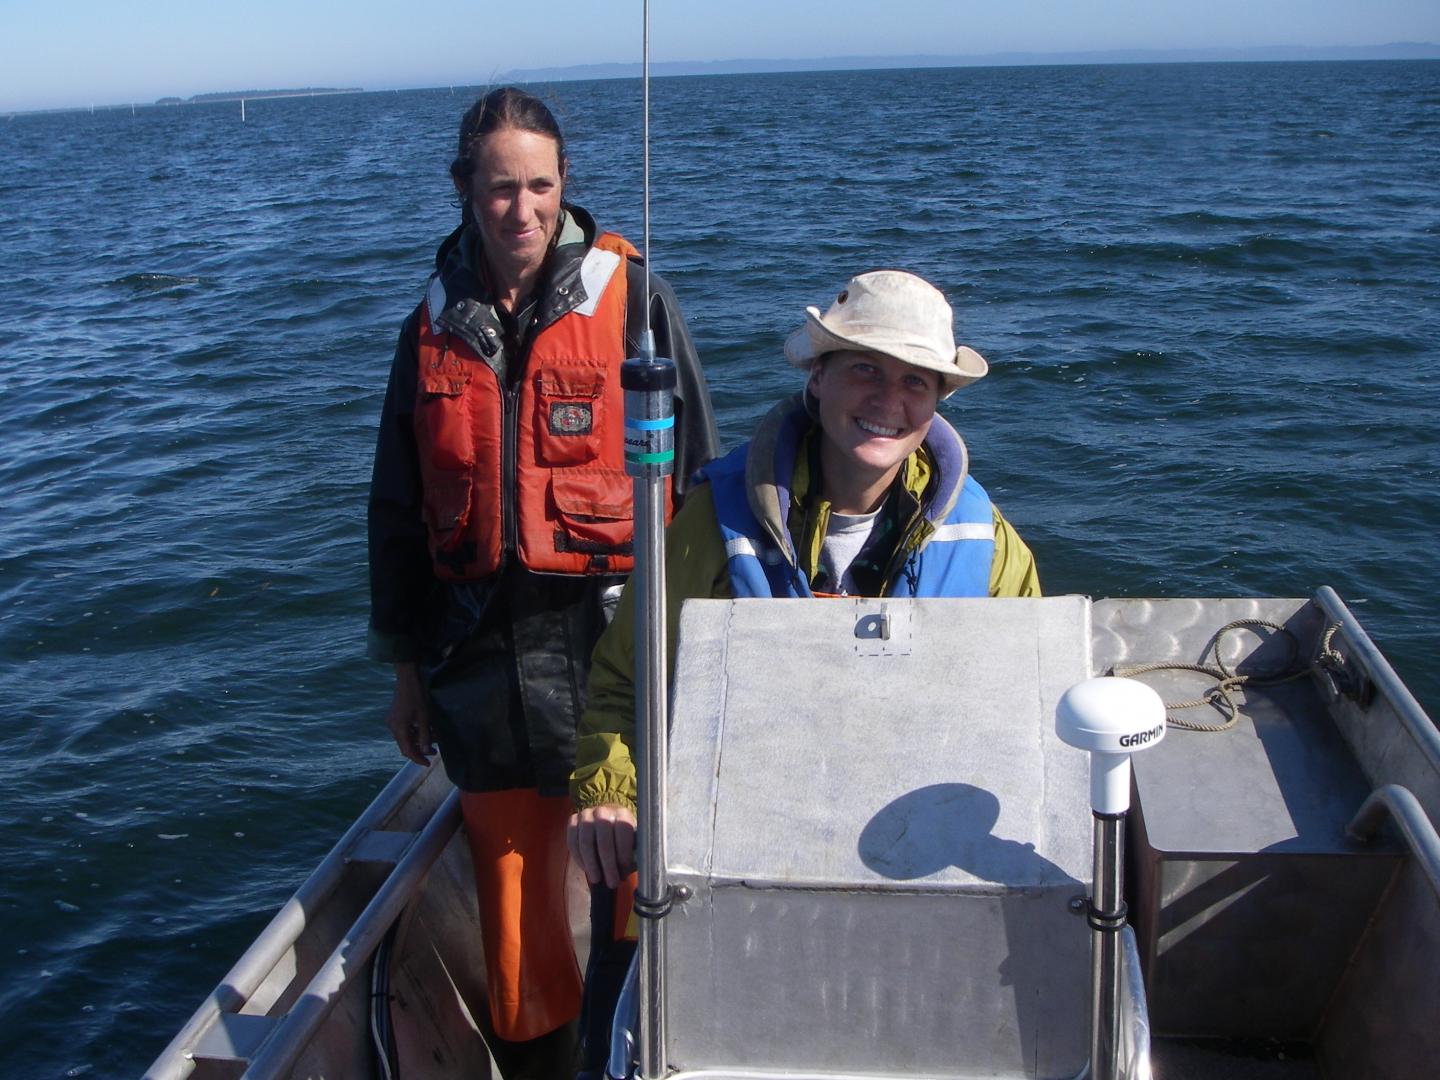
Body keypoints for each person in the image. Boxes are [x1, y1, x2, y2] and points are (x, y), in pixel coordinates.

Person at [367, 87, 717, 1078]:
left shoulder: (636, 300)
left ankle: (643, 1053)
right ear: (463, 189)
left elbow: (699, 484)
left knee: (642, 904)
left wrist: (703, 657)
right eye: (499, 188)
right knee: (518, 940)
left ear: (564, 185)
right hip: (481, 677)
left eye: (539, 186)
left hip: (615, 661)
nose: (520, 209)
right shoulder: (428, 327)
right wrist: (406, 674)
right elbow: (397, 513)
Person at [568, 268, 1040, 891]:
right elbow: (629, 681)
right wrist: (610, 794)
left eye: (915, 381)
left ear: (936, 401)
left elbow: (1027, 698)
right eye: (865, 369)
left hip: (917, 847)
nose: (888, 401)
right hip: (747, 843)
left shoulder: (986, 537)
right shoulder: (713, 522)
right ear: (818, 377)